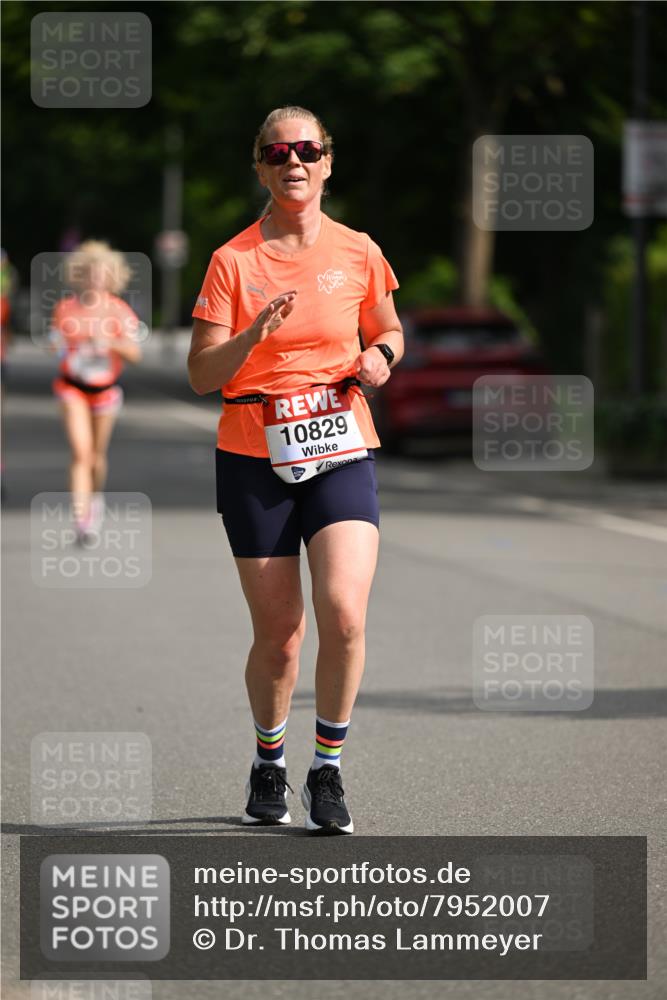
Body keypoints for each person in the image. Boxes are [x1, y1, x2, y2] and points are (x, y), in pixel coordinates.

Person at [189, 106, 403, 834]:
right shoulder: (233, 261)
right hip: (253, 451)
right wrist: (253, 334)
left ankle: (329, 771)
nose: (294, 162)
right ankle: (268, 760)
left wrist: (380, 358)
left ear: (327, 162)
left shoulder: (357, 250)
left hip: (340, 444)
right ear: (259, 165)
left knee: (343, 612)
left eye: (307, 150)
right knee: (280, 633)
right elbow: (199, 374)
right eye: (278, 152)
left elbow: (389, 330)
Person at [50, 240, 142, 540]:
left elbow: (134, 354)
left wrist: (109, 343)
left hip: (106, 390)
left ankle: (95, 497)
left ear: (112, 276)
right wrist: (64, 346)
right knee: (81, 452)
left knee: (97, 456)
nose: (95, 279)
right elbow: (56, 346)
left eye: (102, 274)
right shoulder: (65, 308)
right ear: (78, 275)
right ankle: (82, 519)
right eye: (89, 273)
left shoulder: (118, 310)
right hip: (72, 387)